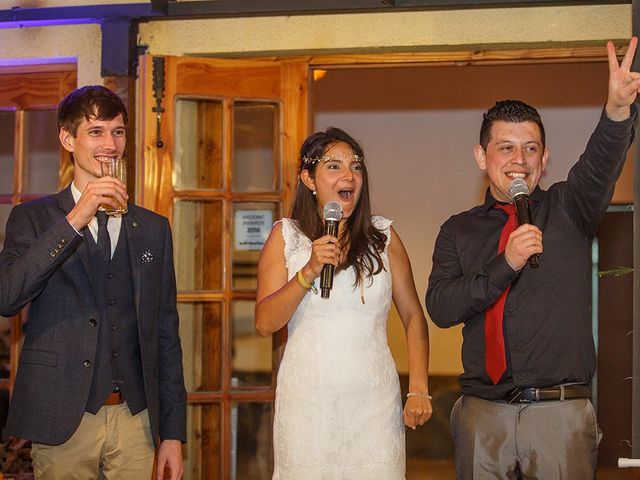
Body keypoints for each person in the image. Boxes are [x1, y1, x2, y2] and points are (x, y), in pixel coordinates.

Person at [426, 38, 640, 479]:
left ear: (545, 157)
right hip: (483, 414)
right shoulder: (457, 230)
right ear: (481, 156)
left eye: (530, 148)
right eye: (505, 147)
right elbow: (442, 308)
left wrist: (617, 110)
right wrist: (505, 262)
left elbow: (600, 163)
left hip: (559, 415)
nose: (518, 160)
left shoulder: (570, 208)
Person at [0, 85, 187, 480]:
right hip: (62, 416)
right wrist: (75, 220)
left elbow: (166, 335)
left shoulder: (153, 228)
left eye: (118, 132)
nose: (110, 143)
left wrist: (172, 433)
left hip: (136, 419)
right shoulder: (32, 219)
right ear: (68, 139)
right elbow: (8, 297)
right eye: (96, 131)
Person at [255, 127, 432, 479]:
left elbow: (413, 316)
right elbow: (265, 322)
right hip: (308, 405)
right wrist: (308, 270)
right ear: (309, 179)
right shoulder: (285, 237)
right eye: (334, 166)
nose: (348, 175)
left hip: (373, 405)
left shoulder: (384, 237)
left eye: (356, 166)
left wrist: (420, 388)